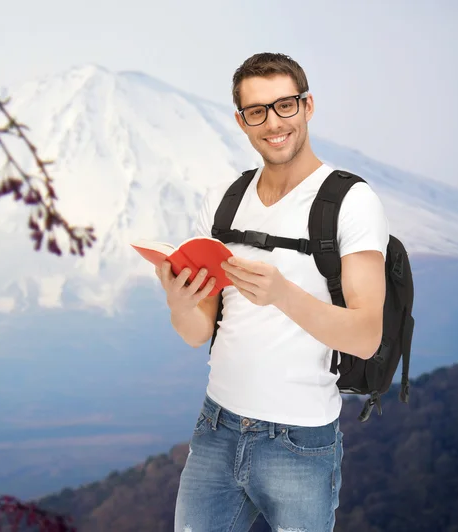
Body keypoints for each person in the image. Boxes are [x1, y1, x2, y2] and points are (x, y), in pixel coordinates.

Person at [156, 52, 389, 532]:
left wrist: (283, 294)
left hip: (300, 442)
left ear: (307, 106)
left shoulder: (351, 201)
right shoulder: (222, 200)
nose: (273, 122)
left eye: (285, 105)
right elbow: (197, 332)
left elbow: (366, 336)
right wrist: (179, 302)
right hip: (216, 429)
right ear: (242, 122)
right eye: (257, 111)